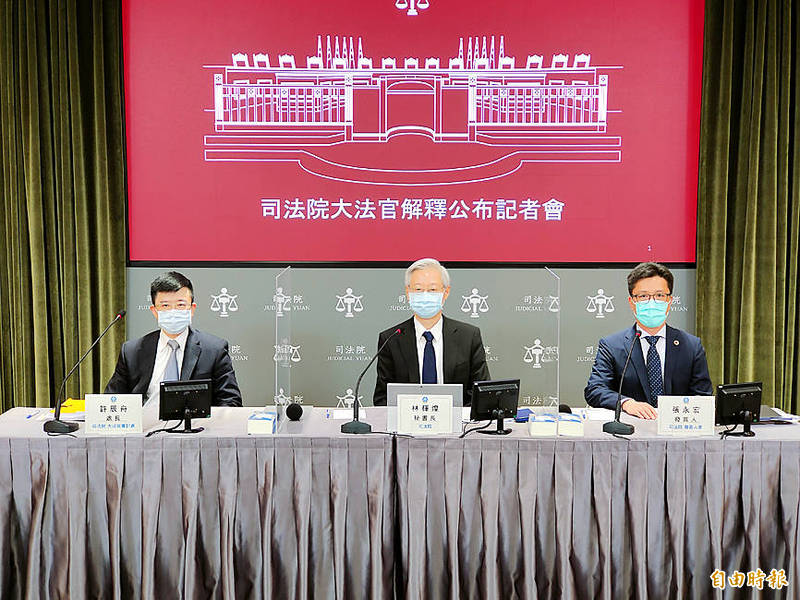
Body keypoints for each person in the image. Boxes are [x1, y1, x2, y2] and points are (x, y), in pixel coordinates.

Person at [584, 262, 712, 419]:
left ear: (669, 301)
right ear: (632, 303)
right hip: (631, 433)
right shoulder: (612, 346)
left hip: (677, 431)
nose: (652, 302)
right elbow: (595, 389)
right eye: (643, 296)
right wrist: (626, 403)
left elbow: (703, 397)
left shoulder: (692, 346)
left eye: (659, 295)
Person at [105, 271, 242, 406]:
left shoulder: (214, 350)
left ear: (192, 309)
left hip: (194, 426)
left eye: (180, 305)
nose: (173, 311)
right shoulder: (132, 351)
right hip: (145, 425)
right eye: (165, 306)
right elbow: (112, 399)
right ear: (154, 311)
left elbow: (230, 401)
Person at [373, 258, 490, 406]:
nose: (425, 295)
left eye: (433, 289)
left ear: (445, 292)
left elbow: (479, 394)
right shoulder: (391, 339)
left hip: (458, 425)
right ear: (408, 293)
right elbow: (383, 399)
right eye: (418, 289)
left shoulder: (468, 336)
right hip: (407, 425)